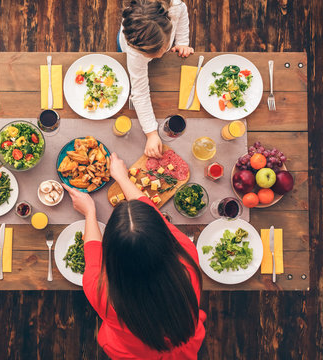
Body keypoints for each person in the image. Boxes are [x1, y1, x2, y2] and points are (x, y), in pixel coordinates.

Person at [63, 153, 206, 359]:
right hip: (183, 337)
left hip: (133, 352)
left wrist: (89, 213)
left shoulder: (100, 291)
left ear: (112, 252)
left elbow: (93, 248)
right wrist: (122, 178)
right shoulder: (186, 255)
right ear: (162, 237)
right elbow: (151, 213)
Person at [118, 0, 194, 158]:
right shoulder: (135, 54)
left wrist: (182, 42)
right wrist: (151, 134)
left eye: (160, 50)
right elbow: (139, 93)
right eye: (153, 55)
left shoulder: (176, 6)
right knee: (122, 55)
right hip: (131, 50)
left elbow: (183, 12)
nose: (160, 56)